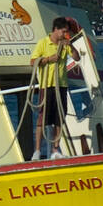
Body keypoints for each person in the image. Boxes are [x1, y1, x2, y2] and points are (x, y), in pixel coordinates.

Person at [29, 17, 81, 160]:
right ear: (56, 30)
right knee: (42, 118)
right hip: (47, 85)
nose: (65, 34)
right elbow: (32, 62)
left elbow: (77, 58)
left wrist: (71, 45)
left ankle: (55, 150)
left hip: (61, 86)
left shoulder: (65, 45)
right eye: (63, 31)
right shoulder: (43, 43)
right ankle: (37, 151)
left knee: (59, 118)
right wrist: (47, 59)